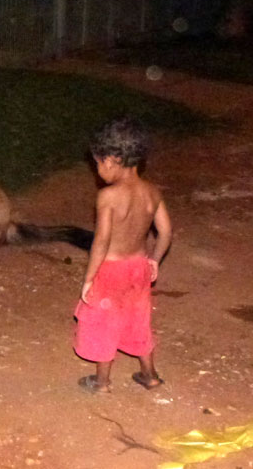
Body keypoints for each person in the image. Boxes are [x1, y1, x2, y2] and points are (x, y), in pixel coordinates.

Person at [74, 116, 172, 393]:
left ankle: (102, 382)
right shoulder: (152, 191)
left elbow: (101, 241)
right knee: (137, 320)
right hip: (139, 268)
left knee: (103, 322)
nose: (97, 171)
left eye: (97, 164)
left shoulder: (108, 197)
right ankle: (150, 375)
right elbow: (166, 232)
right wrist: (154, 260)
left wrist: (89, 278)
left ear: (111, 160)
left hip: (111, 271)